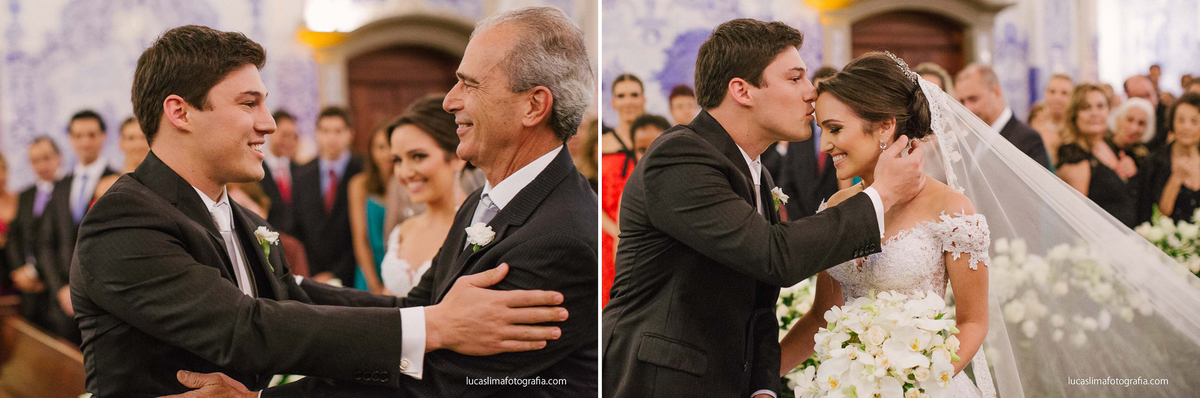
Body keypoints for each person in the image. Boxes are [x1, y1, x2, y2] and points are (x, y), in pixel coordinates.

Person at [70, 24, 570, 398]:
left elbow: (297, 298)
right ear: (180, 112)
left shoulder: (240, 217)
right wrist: (434, 328)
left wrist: (428, 315)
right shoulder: (125, 220)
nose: (268, 123)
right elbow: (244, 329)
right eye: (248, 103)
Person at [602, 19, 927, 398]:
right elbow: (773, 255)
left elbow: (756, 303)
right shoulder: (679, 157)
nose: (812, 92)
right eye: (795, 79)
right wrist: (881, 195)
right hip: (661, 383)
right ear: (742, 90)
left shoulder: (761, 175)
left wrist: (762, 387)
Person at [779, 52, 991, 396]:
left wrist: (916, 382)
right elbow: (822, 315)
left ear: (884, 126)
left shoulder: (952, 210)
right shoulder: (837, 206)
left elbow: (973, 322)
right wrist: (757, 378)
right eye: (821, 130)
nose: (825, 144)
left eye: (834, 129)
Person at [41, 109, 120, 343]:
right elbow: (46, 243)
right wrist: (60, 289)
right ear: (70, 139)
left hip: (104, 303)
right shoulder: (60, 185)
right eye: (78, 135)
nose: (85, 141)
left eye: (91, 134)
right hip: (63, 302)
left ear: (104, 137)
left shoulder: (119, 181)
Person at [378, 95, 464, 297]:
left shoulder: (478, 228)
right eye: (398, 160)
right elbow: (386, 308)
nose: (405, 172)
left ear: (456, 158)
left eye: (418, 156)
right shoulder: (403, 231)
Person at [292, 106, 361, 285]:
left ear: (350, 134)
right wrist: (311, 274)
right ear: (317, 133)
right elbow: (297, 228)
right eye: (325, 131)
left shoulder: (362, 172)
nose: (331, 138)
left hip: (353, 274)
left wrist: (335, 273)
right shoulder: (302, 174)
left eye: (338, 131)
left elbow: (363, 233)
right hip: (311, 275)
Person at [1056, 83, 1140, 227]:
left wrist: (1130, 166)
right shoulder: (1074, 155)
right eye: (1086, 107)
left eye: (1100, 106)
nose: (1094, 113)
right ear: (1075, 114)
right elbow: (1077, 218)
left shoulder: (1109, 144)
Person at [6, 137, 62, 335]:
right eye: (35, 161)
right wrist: (19, 269)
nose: (42, 165)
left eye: (46, 158)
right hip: (26, 289)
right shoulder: (26, 195)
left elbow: (64, 242)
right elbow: (14, 237)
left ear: (59, 158)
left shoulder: (68, 192)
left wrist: (36, 272)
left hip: (56, 286)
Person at [955, 64, 1052, 169]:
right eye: (962, 101)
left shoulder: (1028, 139)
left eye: (973, 99)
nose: (967, 108)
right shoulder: (968, 140)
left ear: (997, 92)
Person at [226, 182, 309, 277]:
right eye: (229, 210)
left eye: (243, 208)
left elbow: (300, 287)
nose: (235, 216)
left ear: (263, 209)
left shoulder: (289, 247)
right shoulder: (225, 247)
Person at [348, 122, 394, 293]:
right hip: (370, 266)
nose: (387, 154)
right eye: (380, 147)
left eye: (391, 146)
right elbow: (360, 239)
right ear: (371, 151)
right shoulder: (359, 184)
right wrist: (374, 284)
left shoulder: (408, 183)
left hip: (402, 264)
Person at [1149, 93, 1200, 222]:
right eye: (1181, 120)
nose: (1186, 127)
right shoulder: (1156, 161)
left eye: (1194, 121)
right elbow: (1158, 214)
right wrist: (1176, 179)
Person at [1108, 97, 1156, 223]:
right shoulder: (1103, 148)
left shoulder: (1143, 156)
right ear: (1118, 118)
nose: (1134, 128)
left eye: (1141, 123)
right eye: (1129, 120)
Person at [260, 109, 301, 234]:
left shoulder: (301, 171)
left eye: (293, 136)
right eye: (284, 135)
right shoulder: (258, 171)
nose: (289, 141)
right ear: (270, 133)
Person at [94, 117, 149, 197]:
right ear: (120, 143)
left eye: (143, 138)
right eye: (131, 138)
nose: (138, 144)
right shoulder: (107, 186)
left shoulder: (162, 184)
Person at [1033, 74, 1074, 161]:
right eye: (1052, 92)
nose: (1057, 98)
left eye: (1064, 93)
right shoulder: (1035, 131)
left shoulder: (1078, 131)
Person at [1127, 74, 1170, 150]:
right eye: (1140, 97)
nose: (1147, 101)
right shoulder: (1125, 119)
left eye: (1148, 94)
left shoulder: (1168, 115)